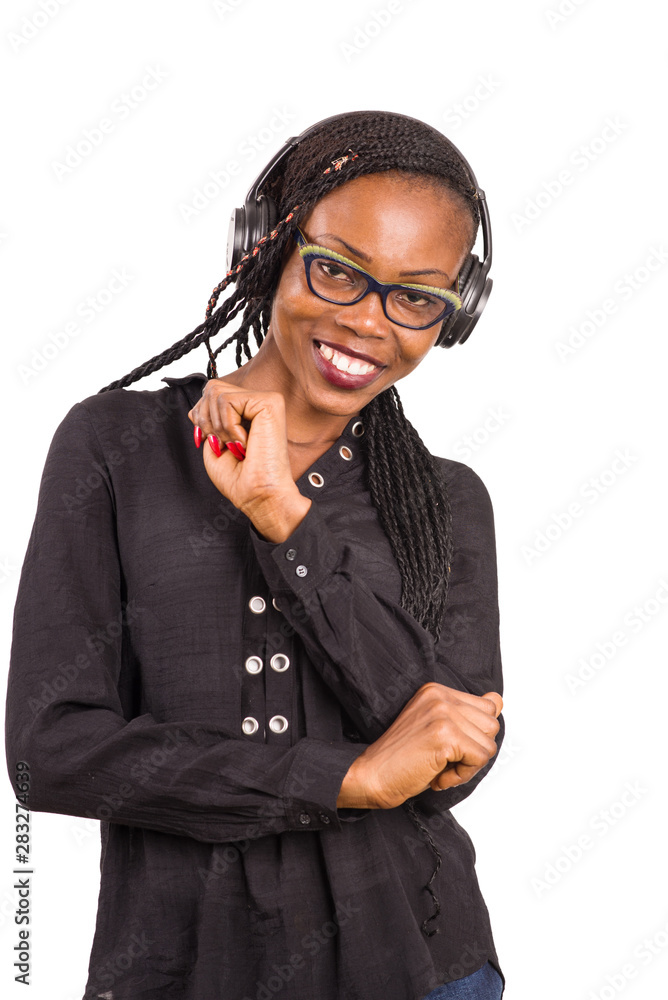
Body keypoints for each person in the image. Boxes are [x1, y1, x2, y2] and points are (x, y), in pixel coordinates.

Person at [5, 110, 506, 1000]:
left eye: (416, 297)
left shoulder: (448, 500)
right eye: (336, 270)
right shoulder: (113, 446)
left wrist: (284, 518)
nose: (369, 322)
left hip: (420, 967)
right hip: (181, 969)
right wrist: (346, 778)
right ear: (267, 247)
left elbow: (451, 762)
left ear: (452, 315)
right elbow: (52, 749)